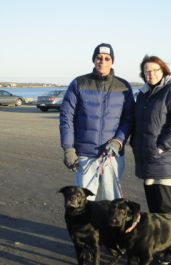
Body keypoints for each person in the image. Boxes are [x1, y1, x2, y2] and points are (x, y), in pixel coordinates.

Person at [60, 43, 134, 201]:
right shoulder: (79, 83)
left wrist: (118, 141)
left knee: (111, 203)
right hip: (85, 156)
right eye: (99, 58)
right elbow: (66, 117)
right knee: (85, 204)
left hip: (111, 156)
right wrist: (68, 148)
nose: (103, 61)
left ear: (112, 61)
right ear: (93, 60)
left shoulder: (123, 87)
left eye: (107, 58)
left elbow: (128, 118)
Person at [131, 55, 171, 214]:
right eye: (147, 71)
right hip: (148, 157)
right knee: (154, 206)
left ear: (163, 70)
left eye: (155, 70)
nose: (151, 74)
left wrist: (161, 147)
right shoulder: (143, 94)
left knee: (165, 208)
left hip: (165, 158)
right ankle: (159, 238)